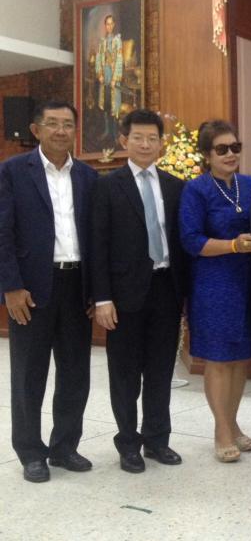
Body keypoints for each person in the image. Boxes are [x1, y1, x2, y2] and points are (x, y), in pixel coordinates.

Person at [0, 101, 98, 483]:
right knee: (29, 373)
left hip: (77, 285)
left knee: (75, 372)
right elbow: (2, 232)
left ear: (76, 130)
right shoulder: (12, 171)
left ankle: (64, 447)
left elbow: (98, 237)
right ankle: (30, 452)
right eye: (52, 123)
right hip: (31, 289)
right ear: (36, 129)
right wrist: (11, 286)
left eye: (68, 124)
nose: (60, 130)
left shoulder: (88, 176)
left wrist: (97, 290)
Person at [91, 109, 188, 474]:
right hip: (123, 294)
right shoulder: (106, 186)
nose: (146, 144)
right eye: (138, 138)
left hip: (166, 288)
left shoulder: (175, 186)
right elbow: (98, 245)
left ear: (161, 143)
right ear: (123, 141)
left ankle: (157, 440)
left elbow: (181, 242)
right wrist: (102, 298)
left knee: (161, 370)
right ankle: (128, 443)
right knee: (125, 374)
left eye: (152, 138)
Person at [179, 120, 251, 463]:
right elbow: (191, 240)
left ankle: (233, 422)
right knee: (219, 359)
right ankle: (221, 431)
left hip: (248, 282)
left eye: (235, 147)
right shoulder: (196, 190)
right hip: (213, 283)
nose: (230, 154)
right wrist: (232, 245)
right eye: (222, 149)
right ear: (206, 154)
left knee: (241, 358)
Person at [96, 14, 124, 145]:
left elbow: (119, 59)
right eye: (107, 24)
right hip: (105, 74)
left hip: (113, 75)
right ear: (105, 26)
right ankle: (107, 131)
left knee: (114, 105)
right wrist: (100, 74)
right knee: (106, 103)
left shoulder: (117, 40)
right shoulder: (102, 41)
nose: (109, 26)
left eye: (111, 24)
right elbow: (98, 58)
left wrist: (115, 78)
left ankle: (114, 133)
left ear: (114, 25)